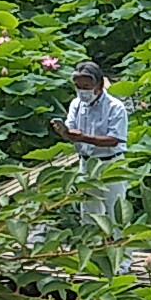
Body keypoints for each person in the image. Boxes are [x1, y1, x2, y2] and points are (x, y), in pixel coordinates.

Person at [49, 60, 130, 232]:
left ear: (99, 84)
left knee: (117, 211)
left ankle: (122, 249)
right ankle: (93, 245)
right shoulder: (76, 104)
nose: (82, 91)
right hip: (85, 163)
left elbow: (114, 139)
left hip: (110, 163)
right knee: (88, 211)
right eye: (78, 87)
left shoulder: (115, 107)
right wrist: (64, 132)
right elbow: (71, 129)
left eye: (86, 87)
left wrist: (84, 137)